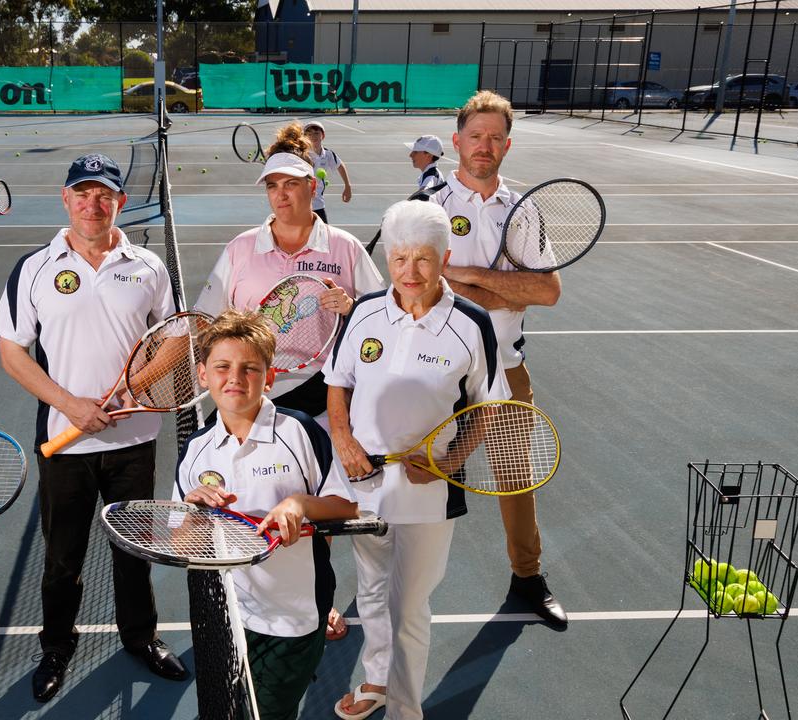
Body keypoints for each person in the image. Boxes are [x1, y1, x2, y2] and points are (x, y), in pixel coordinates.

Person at [0, 153, 189, 702]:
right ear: (66, 198)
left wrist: (134, 387)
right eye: (82, 193)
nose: (92, 204)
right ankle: (56, 646)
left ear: (119, 202)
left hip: (134, 441)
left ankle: (141, 638)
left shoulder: (148, 266)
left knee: (134, 551)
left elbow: (175, 339)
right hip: (66, 441)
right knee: (62, 557)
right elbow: (12, 352)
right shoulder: (34, 267)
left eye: (104, 194)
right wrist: (71, 404)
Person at [195, 121, 382, 641]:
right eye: (273, 186)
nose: (281, 195)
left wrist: (353, 305)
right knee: (244, 503)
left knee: (313, 512)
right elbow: (209, 320)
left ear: (312, 187)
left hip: (320, 401)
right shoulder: (240, 249)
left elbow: (381, 318)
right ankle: (247, 602)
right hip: (250, 399)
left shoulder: (343, 247)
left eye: (292, 184)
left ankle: (316, 604)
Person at [326, 200, 509, 720]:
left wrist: (452, 462)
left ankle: (407, 711)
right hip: (363, 483)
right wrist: (343, 440)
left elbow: (487, 405)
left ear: (444, 257)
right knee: (373, 590)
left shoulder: (472, 324)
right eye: (400, 258)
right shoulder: (364, 311)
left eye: (423, 260)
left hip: (429, 493)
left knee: (408, 607)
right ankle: (377, 680)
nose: (410, 272)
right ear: (388, 259)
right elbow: (338, 383)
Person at [427, 90, 568, 629]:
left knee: (515, 476)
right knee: (422, 473)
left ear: (506, 145)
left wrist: (469, 277)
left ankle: (527, 577)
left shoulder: (522, 210)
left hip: (505, 367)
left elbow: (549, 291)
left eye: (494, 138)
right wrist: (512, 288)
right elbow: (418, 290)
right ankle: (393, 574)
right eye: (475, 136)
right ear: (457, 141)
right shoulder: (430, 208)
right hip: (435, 368)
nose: (483, 146)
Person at [175, 310, 357, 720]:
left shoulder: (300, 432)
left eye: (249, 368)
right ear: (203, 375)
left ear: (269, 377)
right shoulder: (195, 451)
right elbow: (181, 545)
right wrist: (191, 511)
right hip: (229, 618)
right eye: (222, 367)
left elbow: (348, 505)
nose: (234, 377)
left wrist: (301, 504)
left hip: (293, 618)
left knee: (270, 712)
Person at [302, 120, 352, 224]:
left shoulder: (328, 154)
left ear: (322, 135)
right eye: (309, 134)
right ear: (304, 137)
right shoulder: (302, 155)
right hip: (301, 204)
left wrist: (348, 186)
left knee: (324, 234)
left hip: (318, 204)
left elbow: (340, 165)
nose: (313, 136)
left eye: (316, 133)